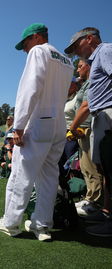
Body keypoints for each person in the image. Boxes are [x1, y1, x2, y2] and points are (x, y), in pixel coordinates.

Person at [0, 23, 73, 241]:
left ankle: (11, 223)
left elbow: (31, 89)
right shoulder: (67, 60)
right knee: (49, 178)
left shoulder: (39, 51)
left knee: (22, 175)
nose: (25, 50)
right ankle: (42, 226)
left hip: (38, 123)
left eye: (26, 44)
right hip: (58, 125)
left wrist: (18, 125)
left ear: (37, 38)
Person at [64, 27, 112, 236]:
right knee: (106, 171)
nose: (75, 52)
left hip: (108, 115)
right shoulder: (96, 61)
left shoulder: (106, 50)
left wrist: (73, 127)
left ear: (89, 39)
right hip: (101, 118)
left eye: (76, 46)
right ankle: (107, 213)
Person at [69, 59, 103, 216]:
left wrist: (74, 126)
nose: (78, 70)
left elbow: (86, 106)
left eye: (80, 66)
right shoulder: (85, 83)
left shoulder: (92, 83)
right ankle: (90, 197)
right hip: (81, 130)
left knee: (92, 167)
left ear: (89, 66)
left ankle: (95, 202)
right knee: (84, 166)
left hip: (88, 128)